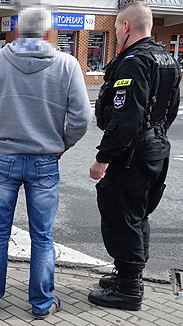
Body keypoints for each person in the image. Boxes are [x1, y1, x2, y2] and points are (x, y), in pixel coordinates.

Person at [0, 5, 92, 320]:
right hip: (45, 161)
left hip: (4, 158)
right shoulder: (67, 64)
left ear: (18, 31)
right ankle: (41, 304)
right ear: (48, 33)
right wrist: (62, 145)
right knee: (42, 235)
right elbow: (82, 118)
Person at [88, 1, 181, 311]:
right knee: (138, 215)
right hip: (156, 148)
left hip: (133, 155)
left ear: (126, 26)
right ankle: (127, 275)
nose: (115, 32)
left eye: (116, 27)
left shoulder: (134, 61)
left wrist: (103, 158)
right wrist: (153, 137)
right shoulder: (168, 58)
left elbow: (126, 119)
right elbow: (168, 112)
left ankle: (129, 290)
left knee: (122, 217)